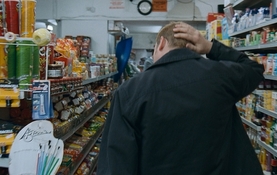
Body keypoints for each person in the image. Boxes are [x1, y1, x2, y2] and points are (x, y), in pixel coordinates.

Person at [97, 22, 264, 175]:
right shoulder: (220, 76)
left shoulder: (130, 92)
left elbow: (116, 162)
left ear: (161, 43)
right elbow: (254, 69)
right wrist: (210, 47)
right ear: (193, 47)